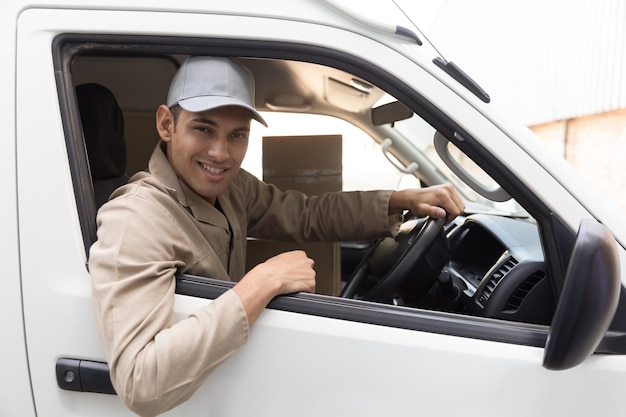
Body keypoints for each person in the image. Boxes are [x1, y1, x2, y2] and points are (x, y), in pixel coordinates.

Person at [89, 56, 465, 416]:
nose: (220, 153)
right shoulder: (135, 218)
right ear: (167, 125)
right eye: (203, 129)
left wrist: (400, 200)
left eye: (237, 135)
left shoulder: (231, 188)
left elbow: (305, 214)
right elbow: (140, 382)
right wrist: (261, 283)